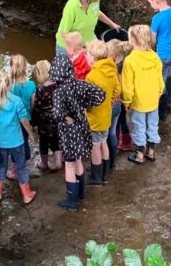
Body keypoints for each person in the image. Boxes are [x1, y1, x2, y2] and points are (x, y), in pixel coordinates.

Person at [50, 54, 106, 211]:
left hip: (69, 132)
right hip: (82, 126)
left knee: (69, 165)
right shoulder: (79, 84)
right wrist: (85, 106)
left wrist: (67, 117)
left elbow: (56, 115)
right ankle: (80, 194)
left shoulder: (58, 92)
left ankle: (71, 201)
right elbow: (100, 94)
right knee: (79, 160)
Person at [0, 70, 36, 204]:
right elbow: (24, 121)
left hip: (0, 142)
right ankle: (26, 194)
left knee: (1, 166)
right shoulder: (16, 101)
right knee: (21, 166)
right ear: (8, 84)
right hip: (17, 141)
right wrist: (31, 134)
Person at [122, 25, 164, 165]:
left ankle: (139, 154)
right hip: (153, 98)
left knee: (138, 125)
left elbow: (128, 85)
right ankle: (151, 152)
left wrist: (127, 101)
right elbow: (160, 79)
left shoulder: (130, 60)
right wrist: (159, 92)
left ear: (133, 40)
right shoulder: (155, 56)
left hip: (138, 100)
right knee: (153, 124)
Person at [85, 40, 121, 185]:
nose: (86, 56)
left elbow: (88, 99)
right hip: (107, 115)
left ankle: (96, 177)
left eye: (87, 54)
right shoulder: (112, 70)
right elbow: (118, 90)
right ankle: (105, 174)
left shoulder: (91, 76)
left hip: (95, 118)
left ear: (93, 57)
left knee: (95, 147)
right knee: (103, 142)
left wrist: (86, 109)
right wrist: (111, 102)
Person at [55, 0, 121, 55]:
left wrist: (112, 24)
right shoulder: (72, 6)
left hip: (89, 40)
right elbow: (63, 33)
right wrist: (79, 49)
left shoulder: (95, 1)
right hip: (68, 46)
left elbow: (97, 13)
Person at [7, 54, 36, 180]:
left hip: (12, 120)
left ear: (11, 67)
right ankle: (26, 169)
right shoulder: (31, 85)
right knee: (25, 143)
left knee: (15, 144)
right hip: (26, 118)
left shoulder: (8, 85)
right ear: (25, 67)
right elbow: (32, 104)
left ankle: (14, 172)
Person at [31, 60, 62, 171]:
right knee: (55, 141)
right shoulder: (58, 86)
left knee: (43, 143)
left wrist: (34, 123)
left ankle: (44, 163)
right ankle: (58, 162)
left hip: (44, 122)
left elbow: (37, 108)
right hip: (57, 120)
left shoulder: (40, 90)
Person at [105, 39, 126, 169]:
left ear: (112, 54)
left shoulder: (112, 69)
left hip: (111, 105)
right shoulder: (122, 65)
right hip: (118, 104)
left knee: (106, 134)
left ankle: (106, 161)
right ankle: (112, 162)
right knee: (112, 132)